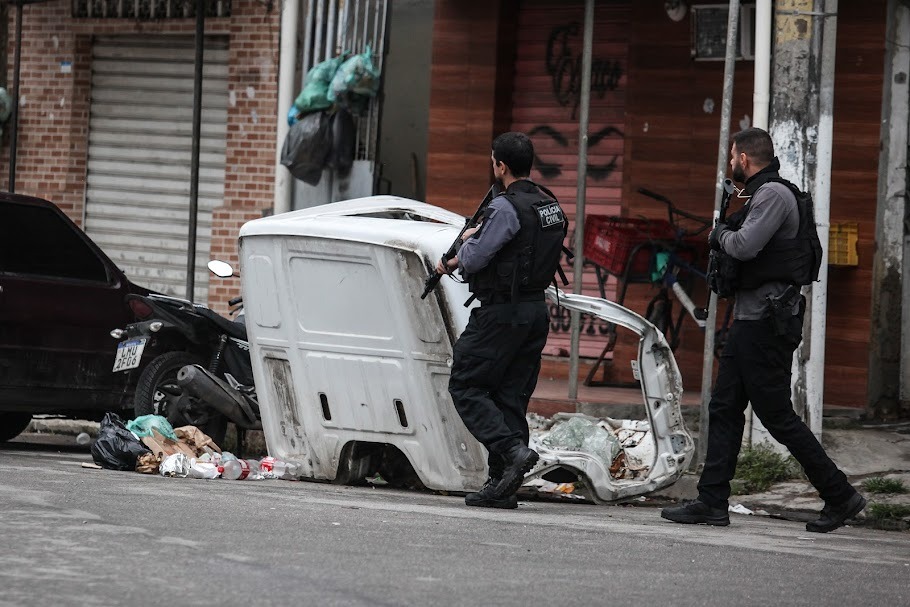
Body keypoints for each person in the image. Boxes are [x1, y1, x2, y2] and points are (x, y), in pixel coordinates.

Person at [660, 127, 865, 533]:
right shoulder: (758, 194)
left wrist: (717, 232)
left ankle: (840, 495)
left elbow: (744, 246)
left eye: (732, 155)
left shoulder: (772, 195)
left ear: (743, 157)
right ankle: (712, 500)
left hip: (767, 325)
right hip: (751, 320)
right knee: (724, 407)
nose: (730, 162)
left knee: (776, 416)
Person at [435, 132, 568, 509]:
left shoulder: (505, 208)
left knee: (466, 384)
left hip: (502, 313)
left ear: (501, 165)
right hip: (535, 311)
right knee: (510, 396)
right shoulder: (548, 203)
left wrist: (464, 244)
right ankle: (500, 485)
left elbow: (474, 260)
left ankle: (511, 452)